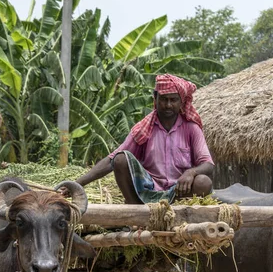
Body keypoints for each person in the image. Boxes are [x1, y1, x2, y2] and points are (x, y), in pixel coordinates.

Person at [67, 74, 214, 204]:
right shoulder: (143, 128)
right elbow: (112, 160)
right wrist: (76, 184)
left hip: (179, 193)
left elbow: (208, 164)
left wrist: (190, 173)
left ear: (181, 102)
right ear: (155, 98)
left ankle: (169, 209)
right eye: (163, 99)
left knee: (203, 182)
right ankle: (133, 206)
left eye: (173, 100)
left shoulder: (191, 128)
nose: (168, 105)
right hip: (146, 191)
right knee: (121, 158)